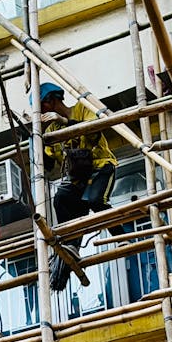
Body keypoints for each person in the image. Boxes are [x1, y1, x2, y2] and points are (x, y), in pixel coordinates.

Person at [40, 82, 116, 291]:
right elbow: (49, 163)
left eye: (43, 106)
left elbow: (92, 132)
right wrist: (35, 139)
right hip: (78, 180)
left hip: (100, 167)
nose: (44, 112)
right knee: (61, 198)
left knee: (95, 201)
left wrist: (64, 121)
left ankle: (123, 235)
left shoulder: (82, 108)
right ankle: (71, 245)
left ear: (52, 100)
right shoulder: (52, 130)